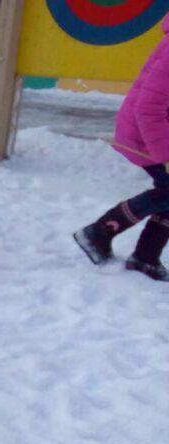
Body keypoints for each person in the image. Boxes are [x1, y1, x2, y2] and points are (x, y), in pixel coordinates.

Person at [73, 14, 169, 282]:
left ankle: (145, 257)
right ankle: (99, 232)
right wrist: (166, 155)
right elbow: (148, 108)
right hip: (146, 135)